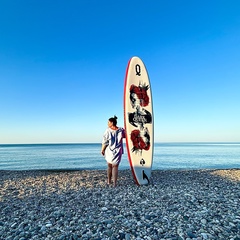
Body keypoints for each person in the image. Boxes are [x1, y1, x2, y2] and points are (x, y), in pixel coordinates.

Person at [101, 116, 125, 187]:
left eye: (108, 122)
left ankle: (109, 181)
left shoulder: (107, 131)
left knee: (109, 166)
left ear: (112, 122)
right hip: (118, 151)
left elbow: (105, 142)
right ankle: (114, 183)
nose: (107, 123)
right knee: (115, 167)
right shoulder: (121, 130)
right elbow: (126, 136)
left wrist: (102, 150)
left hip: (109, 151)